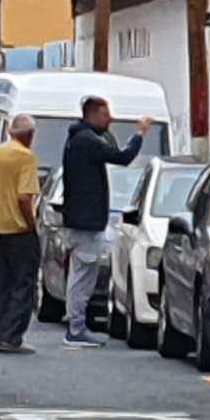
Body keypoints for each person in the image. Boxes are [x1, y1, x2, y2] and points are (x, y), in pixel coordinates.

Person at [59, 97, 152, 348]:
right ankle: (76, 328)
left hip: (81, 217)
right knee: (84, 274)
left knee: (81, 272)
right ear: (91, 115)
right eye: (104, 114)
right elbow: (121, 157)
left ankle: (76, 324)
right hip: (86, 219)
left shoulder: (79, 139)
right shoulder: (87, 142)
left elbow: (109, 147)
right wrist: (139, 134)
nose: (109, 118)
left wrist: (107, 131)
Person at [0, 113, 41, 354]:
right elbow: (24, 197)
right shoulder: (25, 157)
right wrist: (31, 225)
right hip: (17, 230)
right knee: (23, 283)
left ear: (9, 132)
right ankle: (11, 336)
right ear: (29, 135)